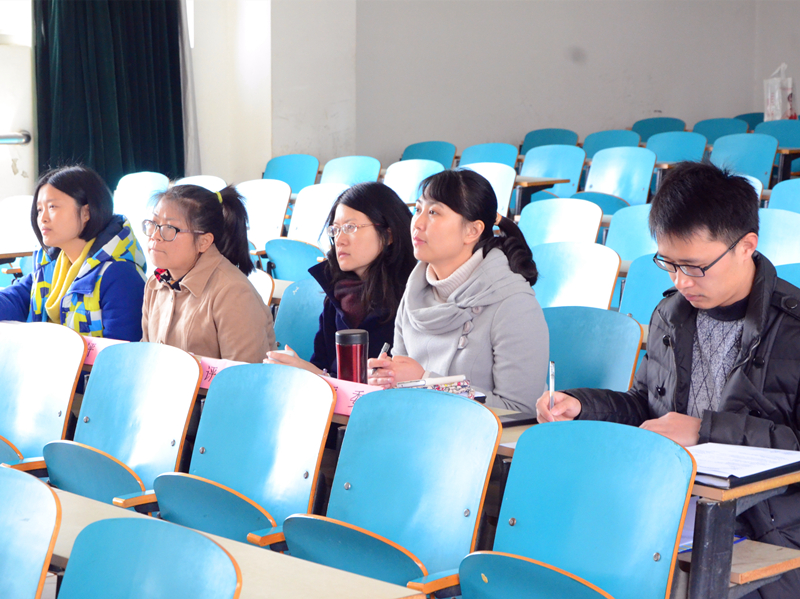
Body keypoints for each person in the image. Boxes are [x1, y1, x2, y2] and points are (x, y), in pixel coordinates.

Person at [536, 161, 800, 599]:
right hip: (671, 507)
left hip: (768, 527)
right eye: (669, 264)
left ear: (746, 246)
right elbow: (648, 408)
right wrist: (582, 405)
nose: (681, 281)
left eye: (694, 266)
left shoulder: (792, 328)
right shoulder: (671, 315)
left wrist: (705, 430)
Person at [369, 169, 549, 412]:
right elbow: (403, 386)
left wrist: (425, 381)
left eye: (434, 212)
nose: (417, 223)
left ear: (472, 231)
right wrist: (387, 378)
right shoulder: (415, 291)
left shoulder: (514, 303)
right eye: (418, 209)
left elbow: (520, 410)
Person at [265, 182, 416, 375]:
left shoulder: (412, 297)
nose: (340, 240)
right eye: (335, 230)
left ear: (388, 235)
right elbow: (323, 366)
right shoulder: (337, 294)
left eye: (350, 227)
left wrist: (316, 375)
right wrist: (306, 372)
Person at [0, 165, 146, 340]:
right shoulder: (49, 265)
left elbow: (121, 351)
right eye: (39, 210)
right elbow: (14, 300)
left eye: (52, 207)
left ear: (86, 212)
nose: (42, 218)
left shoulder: (120, 274)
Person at [141, 184, 275, 362]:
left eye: (170, 228)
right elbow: (147, 357)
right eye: (153, 224)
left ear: (204, 242)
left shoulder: (233, 292)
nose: (155, 236)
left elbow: (244, 375)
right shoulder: (155, 282)